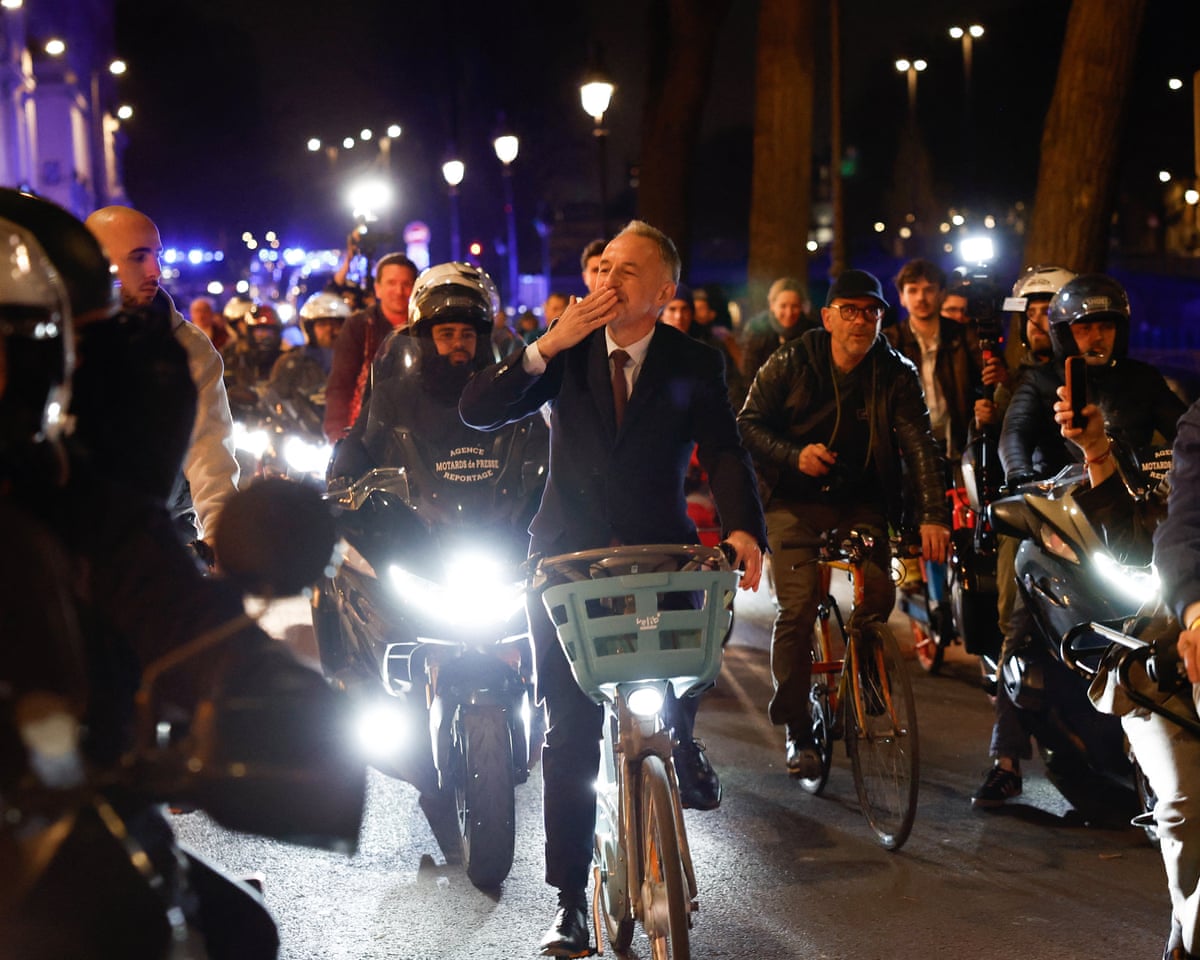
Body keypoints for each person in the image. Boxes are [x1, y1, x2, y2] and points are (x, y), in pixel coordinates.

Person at [460, 220, 766, 957]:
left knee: (684, 670)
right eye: (603, 267)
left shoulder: (695, 359)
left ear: (663, 294)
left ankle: (682, 742)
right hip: (566, 561)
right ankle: (569, 902)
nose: (607, 281)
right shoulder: (563, 353)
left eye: (627, 272)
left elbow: (723, 447)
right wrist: (544, 346)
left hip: (659, 555)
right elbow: (479, 409)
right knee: (569, 730)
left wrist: (745, 529)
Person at [973, 272, 1186, 808]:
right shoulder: (1042, 383)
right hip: (1058, 525)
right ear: (1067, 333)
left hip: (1130, 520)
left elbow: (1184, 433)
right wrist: (1022, 482)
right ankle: (1003, 760)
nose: (1097, 337)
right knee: (1019, 623)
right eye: (1085, 327)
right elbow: (1013, 438)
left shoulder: (1142, 380)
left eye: (1106, 326)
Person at [737, 268, 950, 777]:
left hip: (862, 502)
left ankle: (866, 676)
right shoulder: (792, 359)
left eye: (871, 312)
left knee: (877, 595)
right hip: (792, 499)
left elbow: (919, 443)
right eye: (849, 311)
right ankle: (796, 726)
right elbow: (747, 424)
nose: (861, 322)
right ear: (828, 317)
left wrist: (933, 516)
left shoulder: (895, 371)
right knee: (797, 606)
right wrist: (794, 455)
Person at [83, 205, 240, 557]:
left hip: (158, 531)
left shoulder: (189, 347)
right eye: (138, 258)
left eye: (156, 256)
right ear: (95, 263)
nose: (155, 270)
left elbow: (210, 451)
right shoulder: (56, 337)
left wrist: (219, 540)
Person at [323, 252, 418, 442]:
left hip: (417, 430)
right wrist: (338, 436)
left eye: (406, 284)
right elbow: (341, 383)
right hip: (365, 431)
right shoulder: (359, 326)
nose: (399, 291)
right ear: (378, 289)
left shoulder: (424, 328)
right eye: (391, 283)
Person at [264, 291, 348, 439]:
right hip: (302, 437)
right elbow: (275, 399)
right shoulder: (290, 363)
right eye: (322, 324)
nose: (329, 331)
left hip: (346, 438)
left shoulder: (357, 362)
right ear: (309, 328)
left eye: (335, 325)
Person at [740, 276, 815, 382]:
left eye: (795, 306)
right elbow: (748, 376)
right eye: (783, 306)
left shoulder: (811, 332)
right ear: (772, 306)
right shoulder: (757, 331)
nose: (789, 313)